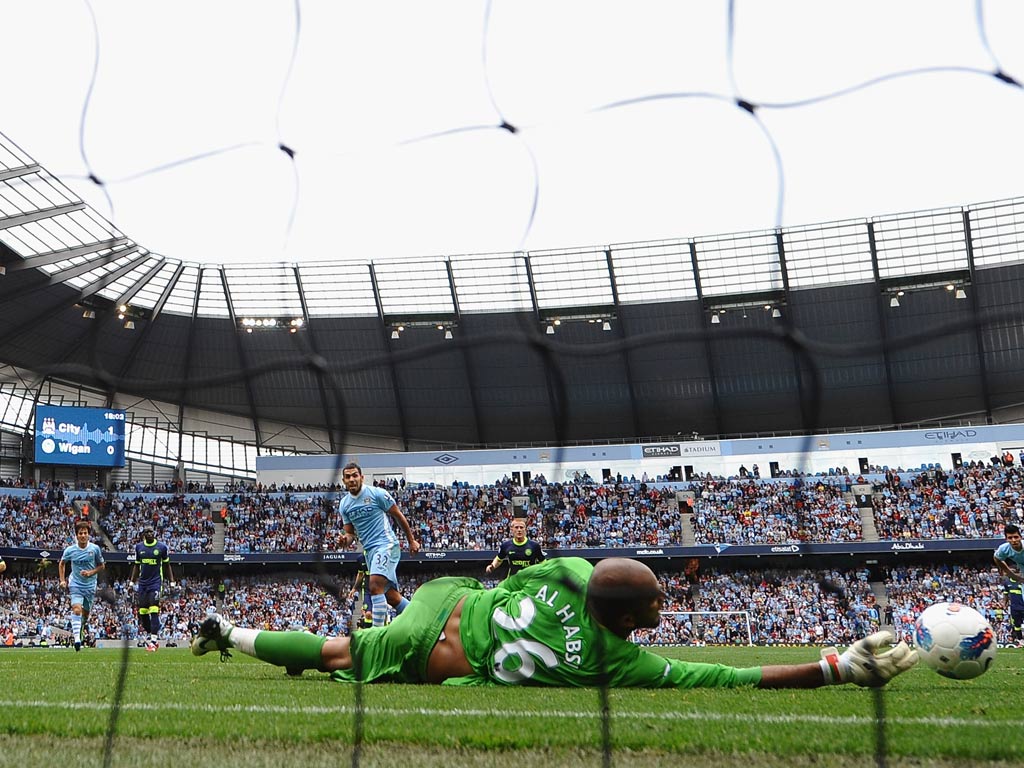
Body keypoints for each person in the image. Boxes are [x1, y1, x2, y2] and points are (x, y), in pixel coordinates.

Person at [192, 557, 918, 689]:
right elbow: (730, 677)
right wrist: (832, 668)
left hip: (446, 600)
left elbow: (591, 570)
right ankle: (231, 631)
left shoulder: (574, 572)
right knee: (337, 654)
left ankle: (242, 636)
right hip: (430, 649)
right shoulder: (621, 666)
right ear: (629, 617)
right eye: (659, 601)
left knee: (333, 651)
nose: (667, 606)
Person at [337, 462, 421, 627]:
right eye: (348, 477)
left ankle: (377, 634)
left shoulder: (377, 494)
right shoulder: (344, 505)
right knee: (391, 597)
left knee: (374, 585)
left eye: (355, 475)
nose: (352, 479)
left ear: (362, 477)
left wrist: (411, 540)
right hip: (370, 552)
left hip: (386, 544)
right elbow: (350, 535)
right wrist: (344, 541)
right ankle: (421, 620)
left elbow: (398, 515)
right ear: (343, 480)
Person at [58, 520, 106, 652]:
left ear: (88, 535)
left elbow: (102, 566)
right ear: (76, 535)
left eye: (85, 533)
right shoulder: (70, 550)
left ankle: (81, 626)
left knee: (85, 614)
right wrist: (62, 580)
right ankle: (77, 640)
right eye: (80, 533)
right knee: (76, 610)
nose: (83, 535)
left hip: (90, 586)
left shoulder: (95, 549)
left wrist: (91, 572)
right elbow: (62, 563)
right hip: (75, 584)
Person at [128, 527, 175, 651]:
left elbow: (167, 565)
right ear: (143, 535)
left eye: (151, 532)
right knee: (143, 613)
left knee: (154, 609)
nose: (150, 534)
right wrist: (132, 582)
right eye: (147, 532)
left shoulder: (161, 548)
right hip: (142, 584)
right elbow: (137, 566)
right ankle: (152, 633)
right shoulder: (139, 548)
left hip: (155, 583)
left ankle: (153, 641)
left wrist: (172, 581)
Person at [1004, 580, 1024, 648]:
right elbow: (1006, 594)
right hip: (1014, 607)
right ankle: (1021, 641)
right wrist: (1005, 604)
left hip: (1022, 606)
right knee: (1016, 625)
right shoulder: (1007, 582)